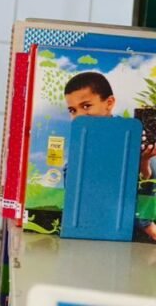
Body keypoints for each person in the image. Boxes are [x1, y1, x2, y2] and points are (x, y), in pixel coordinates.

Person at [63, 72, 156, 241]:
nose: (79, 115)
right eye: (72, 110)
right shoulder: (82, 139)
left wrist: (144, 162)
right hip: (95, 213)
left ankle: (146, 224)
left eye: (86, 106)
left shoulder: (127, 132)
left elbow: (145, 180)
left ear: (109, 103)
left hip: (128, 208)